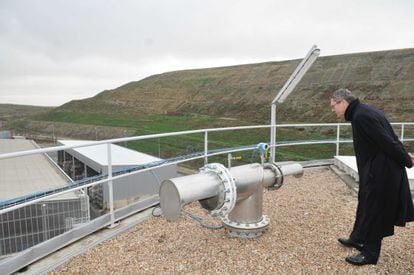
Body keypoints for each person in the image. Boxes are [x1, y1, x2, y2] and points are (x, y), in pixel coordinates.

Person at [330, 88, 414, 266]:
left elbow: (387, 141)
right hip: (375, 169)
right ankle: (358, 237)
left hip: (382, 171)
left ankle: (370, 253)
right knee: (366, 203)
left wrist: (406, 160)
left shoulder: (362, 116)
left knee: (376, 210)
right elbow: (389, 137)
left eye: (333, 106)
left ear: (342, 102)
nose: (333, 110)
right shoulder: (363, 112)